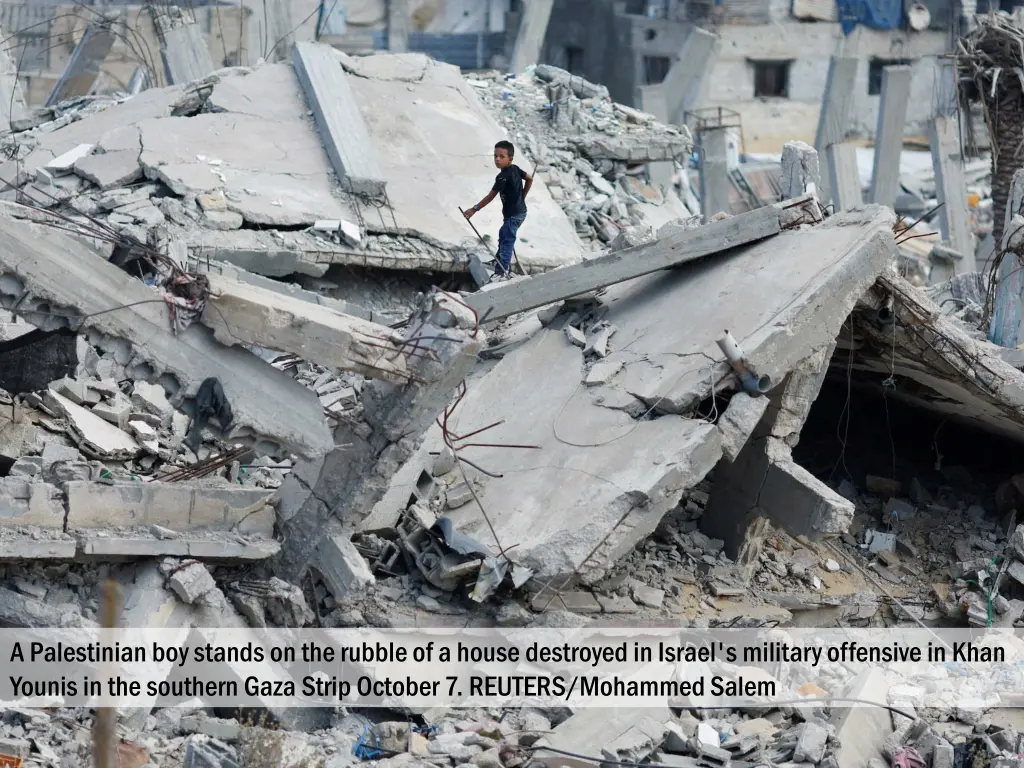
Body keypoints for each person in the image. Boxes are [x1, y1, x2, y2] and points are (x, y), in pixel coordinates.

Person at [464, 140, 533, 278]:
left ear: (510, 159)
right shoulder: (515, 169)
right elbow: (530, 179)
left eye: (501, 157)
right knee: (503, 234)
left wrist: (474, 209)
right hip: (518, 212)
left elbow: (490, 197)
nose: (497, 159)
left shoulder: (502, 177)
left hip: (514, 215)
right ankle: (498, 262)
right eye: (495, 156)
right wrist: (522, 197)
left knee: (507, 239)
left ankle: (502, 271)